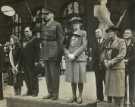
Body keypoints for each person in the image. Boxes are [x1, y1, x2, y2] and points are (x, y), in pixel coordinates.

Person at [39, 8, 64, 100]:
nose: (45, 15)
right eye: (44, 14)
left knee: (54, 74)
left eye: (47, 14)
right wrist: (41, 55)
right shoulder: (44, 26)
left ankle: (55, 94)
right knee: (47, 74)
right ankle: (50, 92)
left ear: (52, 15)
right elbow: (42, 41)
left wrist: (59, 55)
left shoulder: (57, 25)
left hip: (54, 51)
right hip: (46, 52)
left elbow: (61, 40)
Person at [64, 17, 87, 104]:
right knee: (72, 79)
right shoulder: (69, 34)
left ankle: (80, 96)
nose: (75, 25)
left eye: (76, 23)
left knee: (80, 78)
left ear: (80, 24)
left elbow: (84, 46)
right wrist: (68, 54)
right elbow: (65, 46)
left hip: (79, 58)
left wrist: (74, 54)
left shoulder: (83, 33)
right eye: (73, 23)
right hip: (70, 59)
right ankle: (73, 96)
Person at [103, 26, 126, 107]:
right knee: (113, 92)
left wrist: (111, 62)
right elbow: (105, 54)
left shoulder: (121, 41)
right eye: (108, 32)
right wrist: (105, 61)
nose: (109, 33)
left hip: (118, 69)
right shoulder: (108, 42)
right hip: (110, 70)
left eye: (110, 32)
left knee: (119, 92)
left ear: (115, 32)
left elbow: (122, 54)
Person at [20, 27, 40, 96]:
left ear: (31, 31)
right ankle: (29, 90)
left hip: (32, 62)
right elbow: (22, 51)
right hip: (24, 62)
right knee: (26, 77)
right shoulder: (23, 40)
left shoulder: (35, 39)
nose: (26, 33)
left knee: (33, 77)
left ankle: (35, 91)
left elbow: (38, 51)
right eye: (25, 31)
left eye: (27, 31)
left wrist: (37, 61)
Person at [93, 28, 106, 102]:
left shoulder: (106, 41)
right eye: (96, 32)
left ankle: (109, 98)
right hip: (97, 66)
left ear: (102, 33)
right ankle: (99, 97)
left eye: (98, 32)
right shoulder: (94, 43)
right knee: (98, 82)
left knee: (106, 82)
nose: (97, 33)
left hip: (105, 65)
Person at [123, 29, 135, 107]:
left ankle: (132, 101)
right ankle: (124, 100)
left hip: (132, 66)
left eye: (128, 33)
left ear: (131, 34)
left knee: (132, 84)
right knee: (123, 84)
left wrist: (128, 60)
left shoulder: (134, 43)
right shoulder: (122, 43)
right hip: (123, 66)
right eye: (125, 33)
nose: (126, 34)